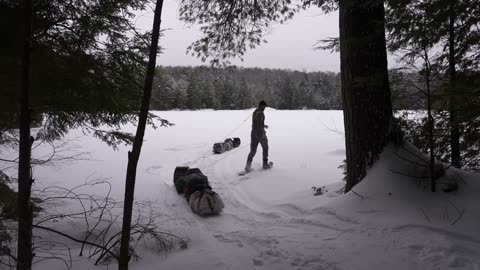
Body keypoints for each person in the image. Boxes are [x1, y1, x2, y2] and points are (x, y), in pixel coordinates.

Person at [245, 100, 271, 172]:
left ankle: (247, 167)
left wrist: (263, 125)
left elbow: (256, 123)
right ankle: (265, 165)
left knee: (253, 151)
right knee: (265, 148)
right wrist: (262, 133)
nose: (265, 108)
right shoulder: (260, 113)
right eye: (264, 107)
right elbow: (259, 124)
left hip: (253, 133)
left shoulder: (255, 111)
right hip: (260, 134)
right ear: (261, 106)